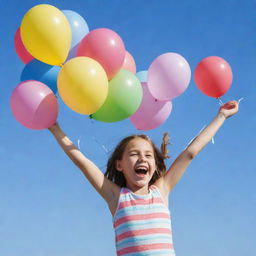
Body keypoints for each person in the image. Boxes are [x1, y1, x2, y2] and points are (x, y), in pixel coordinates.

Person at [48, 100, 239, 256]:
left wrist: (221, 116)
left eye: (148, 155)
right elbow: (82, 162)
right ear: (119, 165)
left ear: (155, 164)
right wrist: (55, 129)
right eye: (134, 154)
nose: (142, 158)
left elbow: (190, 153)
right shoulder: (116, 197)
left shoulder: (161, 190)